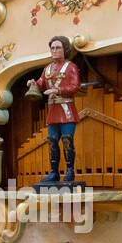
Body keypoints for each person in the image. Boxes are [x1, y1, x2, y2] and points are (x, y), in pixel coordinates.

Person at [30, 35, 81, 185]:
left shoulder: (70, 67)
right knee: (52, 141)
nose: (54, 50)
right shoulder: (47, 69)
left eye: (57, 47)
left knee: (67, 141)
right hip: (53, 112)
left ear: (64, 49)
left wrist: (57, 90)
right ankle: (53, 172)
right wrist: (33, 83)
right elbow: (41, 83)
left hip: (66, 111)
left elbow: (75, 86)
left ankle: (70, 171)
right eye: (52, 48)